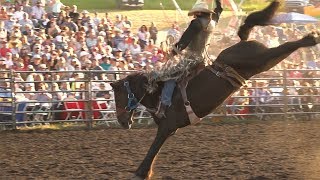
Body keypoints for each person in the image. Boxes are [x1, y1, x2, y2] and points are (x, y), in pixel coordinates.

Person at [155, 0, 223, 118]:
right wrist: (218, 2)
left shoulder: (196, 23)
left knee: (170, 77)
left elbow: (183, 42)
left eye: (195, 14)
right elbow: (219, 10)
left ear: (198, 13)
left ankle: (164, 107)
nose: (194, 16)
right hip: (205, 60)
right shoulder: (213, 22)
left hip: (192, 60)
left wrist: (171, 53)